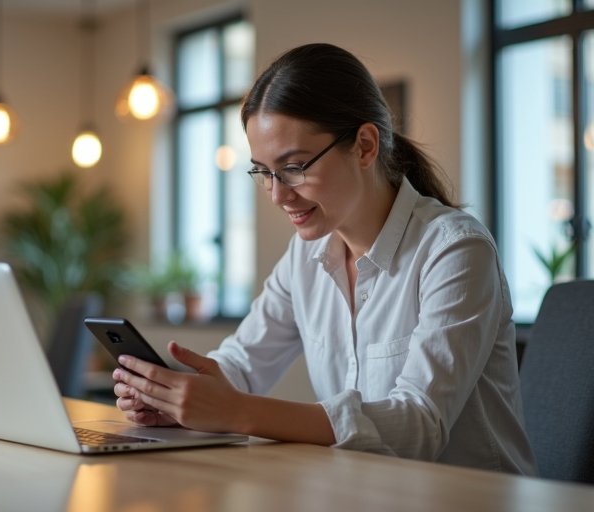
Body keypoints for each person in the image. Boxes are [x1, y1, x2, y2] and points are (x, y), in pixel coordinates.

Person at [112, 42, 537, 475]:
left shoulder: (454, 249)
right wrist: (178, 399)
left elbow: (418, 423)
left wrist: (235, 412)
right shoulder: (306, 255)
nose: (278, 195)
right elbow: (242, 362)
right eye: (263, 172)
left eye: (294, 167)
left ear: (365, 146)